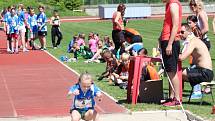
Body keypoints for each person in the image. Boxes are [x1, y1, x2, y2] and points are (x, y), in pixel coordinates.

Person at [159, 0, 182, 107]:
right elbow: (167, 23)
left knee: (172, 71)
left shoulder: (173, 5)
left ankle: (177, 98)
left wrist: (170, 43)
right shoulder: (169, 4)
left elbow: (176, 25)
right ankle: (171, 97)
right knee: (169, 71)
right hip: (166, 39)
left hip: (171, 41)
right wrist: (161, 37)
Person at [179, 23, 214, 90]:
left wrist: (170, 55)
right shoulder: (192, 40)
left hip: (205, 73)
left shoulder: (193, 41)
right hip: (202, 71)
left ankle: (178, 96)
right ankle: (178, 95)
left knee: (178, 72)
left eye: (182, 32)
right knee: (179, 71)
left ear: (189, 32)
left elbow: (182, 57)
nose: (180, 34)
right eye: (179, 32)